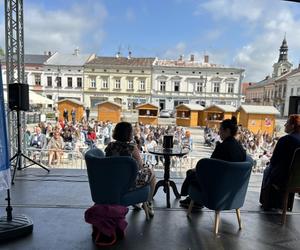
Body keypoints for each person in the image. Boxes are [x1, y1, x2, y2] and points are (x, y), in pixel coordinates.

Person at [180, 116, 246, 208]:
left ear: (227, 131)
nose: (219, 133)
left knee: (191, 173)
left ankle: (196, 200)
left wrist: (197, 169)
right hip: (234, 188)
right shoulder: (240, 148)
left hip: (218, 186)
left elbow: (210, 165)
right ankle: (194, 200)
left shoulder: (222, 147)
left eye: (221, 130)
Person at [105, 122, 156, 216]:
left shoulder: (110, 146)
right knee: (151, 174)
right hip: (129, 183)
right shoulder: (131, 148)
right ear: (128, 133)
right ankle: (149, 203)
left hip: (112, 181)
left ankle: (136, 203)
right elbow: (140, 167)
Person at [260, 114, 300, 210]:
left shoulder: (285, 139)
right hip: (297, 179)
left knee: (268, 170)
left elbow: (274, 161)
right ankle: (287, 205)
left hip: (284, 178)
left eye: (287, 123)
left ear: (293, 126)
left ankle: (267, 203)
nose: (285, 125)